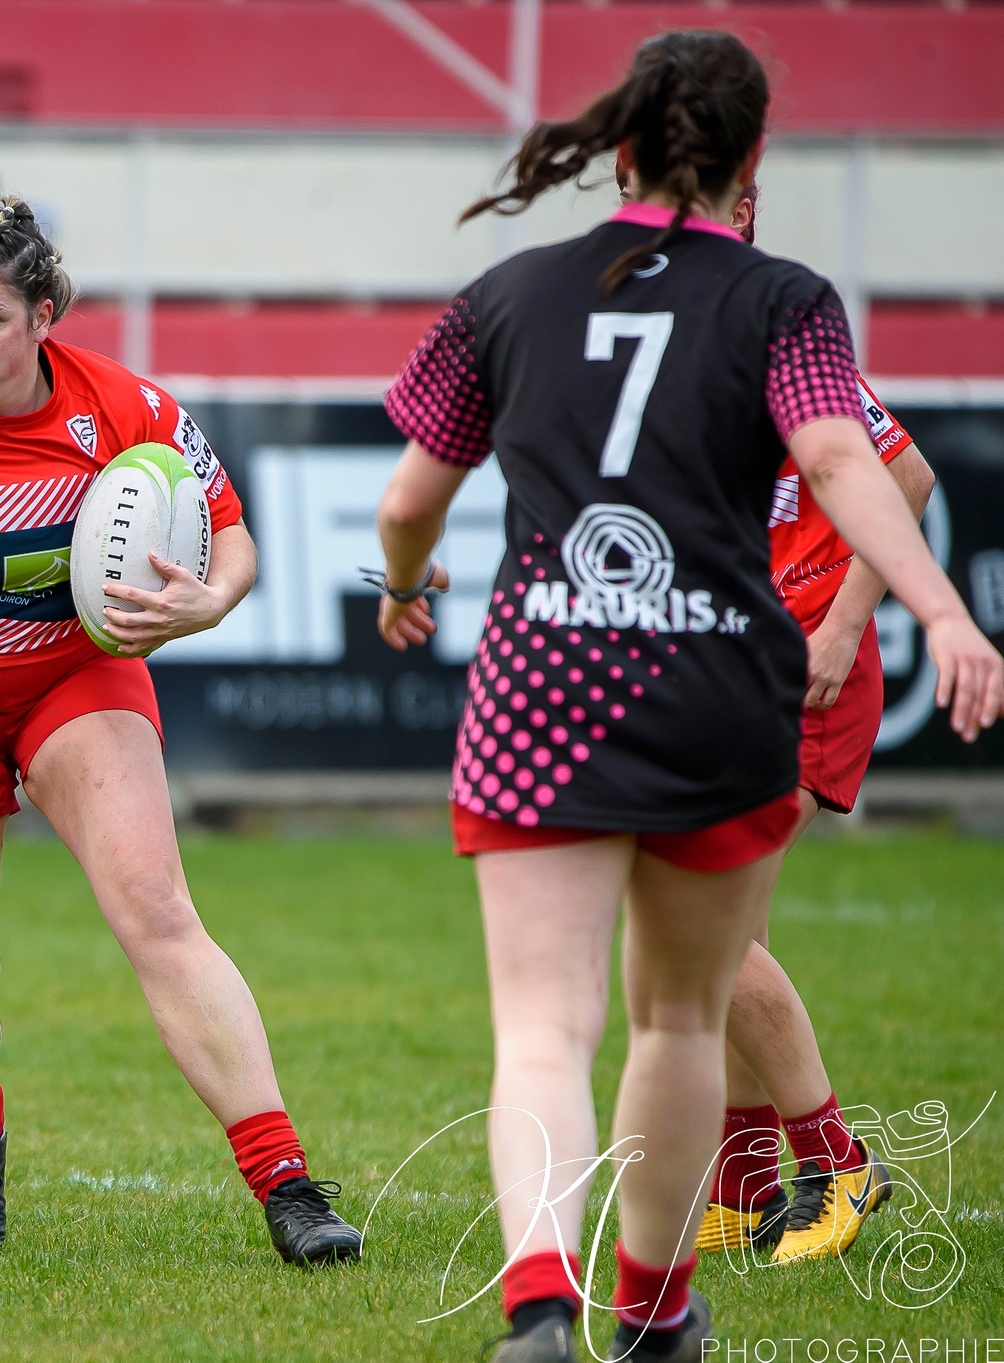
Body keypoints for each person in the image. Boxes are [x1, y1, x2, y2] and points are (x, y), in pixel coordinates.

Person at [371, 30, 1001, 1363]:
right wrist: (940, 609)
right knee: (679, 1017)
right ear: (752, 158)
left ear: (619, 151)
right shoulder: (785, 298)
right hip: (720, 684)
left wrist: (400, 580)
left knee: (543, 1024)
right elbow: (844, 457)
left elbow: (412, 495)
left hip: (543, 681)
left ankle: (542, 1297)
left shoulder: (510, 289)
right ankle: (655, 1309)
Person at [0, 194, 363, 1266]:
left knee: (156, 908)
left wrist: (209, 601)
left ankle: (286, 1183)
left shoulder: (125, 403)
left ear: (44, 312)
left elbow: (226, 534)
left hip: (70, 679)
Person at [693, 183, 933, 1266]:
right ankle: (745, 1187)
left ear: (738, 207)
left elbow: (907, 473)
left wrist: (839, 625)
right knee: (727, 934)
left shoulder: (771, 326)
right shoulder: (678, 331)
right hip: (728, 670)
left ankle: (835, 1162)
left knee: (704, 929)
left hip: (802, 676)